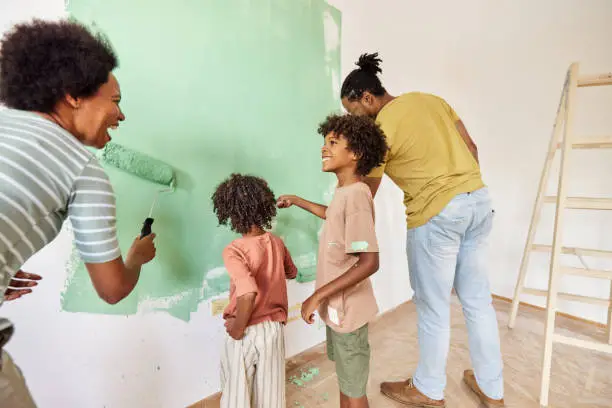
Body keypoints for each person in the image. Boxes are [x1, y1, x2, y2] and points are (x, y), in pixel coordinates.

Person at [0, 19, 157, 407]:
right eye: (115, 101)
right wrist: (135, 259)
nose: (121, 116)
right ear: (73, 94)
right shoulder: (82, 170)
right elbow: (112, 288)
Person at [339, 52, 505, 408]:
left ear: (367, 99)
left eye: (354, 112)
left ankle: (428, 389)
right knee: (478, 301)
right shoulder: (432, 100)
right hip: (477, 201)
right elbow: (472, 147)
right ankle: (492, 389)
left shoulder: (380, 129)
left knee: (433, 307)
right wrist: (460, 188)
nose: (355, 121)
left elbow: (366, 192)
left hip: (437, 215)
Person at [277, 113, 389, 408]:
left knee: (354, 390)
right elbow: (332, 214)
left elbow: (369, 262)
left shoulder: (357, 197)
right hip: (339, 310)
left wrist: (316, 296)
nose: (324, 148)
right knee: (345, 380)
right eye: (324, 142)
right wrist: (298, 200)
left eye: (333, 142)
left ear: (356, 154)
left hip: (349, 312)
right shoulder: (344, 192)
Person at [212, 173, 298, 408]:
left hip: (246, 329)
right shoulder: (277, 242)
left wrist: (238, 328)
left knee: (237, 397)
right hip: (273, 331)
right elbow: (292, 272)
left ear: (231, 213)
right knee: (271, 398)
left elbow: (248, 291)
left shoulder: (234, 250)